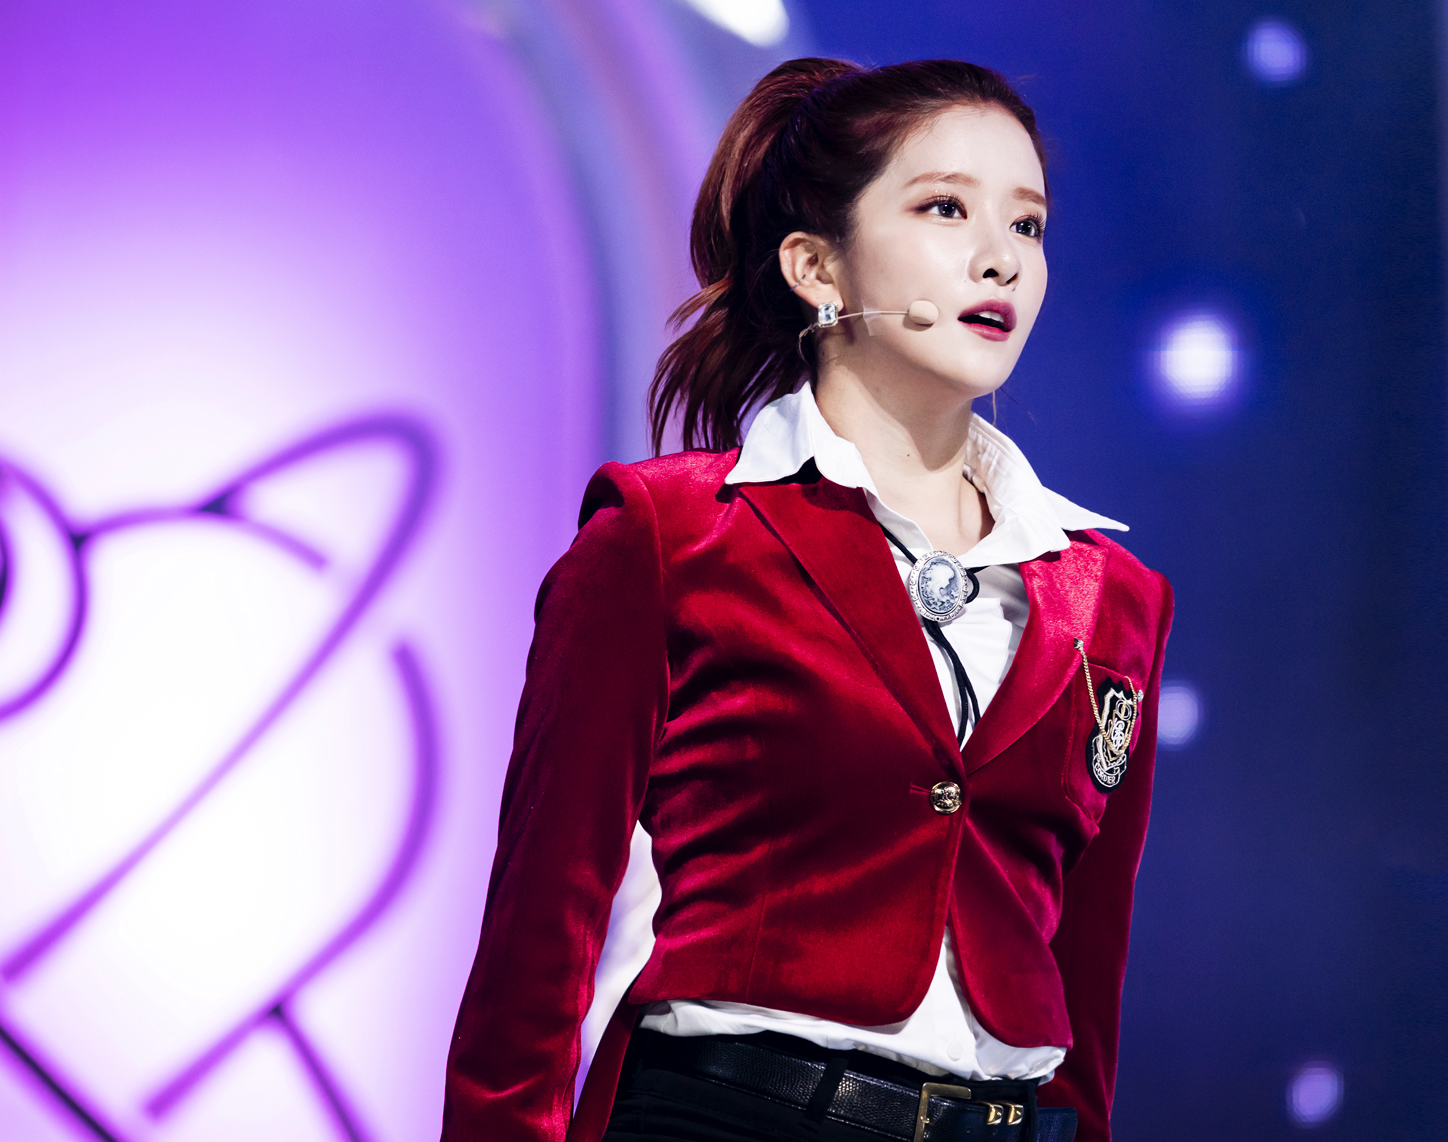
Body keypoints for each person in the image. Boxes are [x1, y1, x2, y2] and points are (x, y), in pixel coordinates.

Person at [441, 57, 1174, 1142]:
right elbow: (538, 938)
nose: (1001, 258)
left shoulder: (1112, 597)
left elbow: (1086, 973)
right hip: (733, 1114)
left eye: (1027, 225)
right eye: (945, 208)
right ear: (815, 266)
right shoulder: (672, 535)